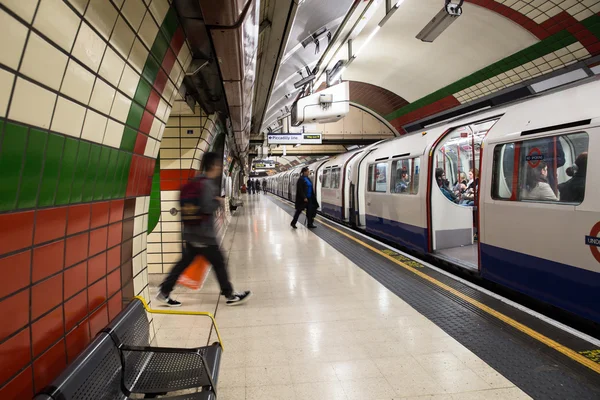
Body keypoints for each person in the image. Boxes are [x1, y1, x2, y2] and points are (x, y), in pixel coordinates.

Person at [157, 152, 251, 307]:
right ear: (213, 165)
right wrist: (218, 201)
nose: (220, 168)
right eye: (218, 165)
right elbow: (207, 207)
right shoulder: (207, 184)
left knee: (183, 264)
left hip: (191, 233)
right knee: (219, 262)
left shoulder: (194, 182)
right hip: (204, 236)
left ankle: (164, 292)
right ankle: (229, 295)